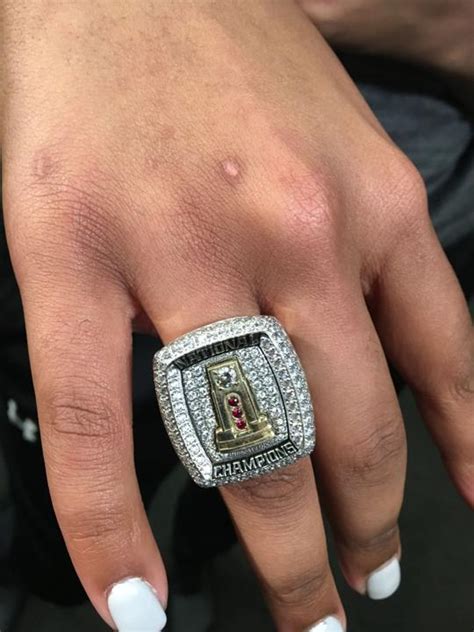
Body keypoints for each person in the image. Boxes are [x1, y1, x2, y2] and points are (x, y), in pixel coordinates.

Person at [1, 2, 473, 631]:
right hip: (102, 185)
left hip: (416, 220)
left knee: (317, 472)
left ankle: (196, 562)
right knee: (81, 446)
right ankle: (54, 570)